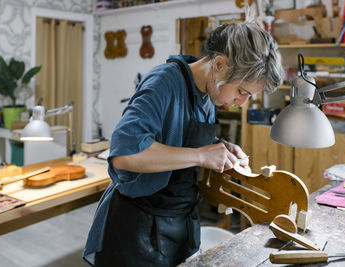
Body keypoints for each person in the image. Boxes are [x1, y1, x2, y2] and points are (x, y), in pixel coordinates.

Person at [84, 21, 284, 267]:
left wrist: (218, 147)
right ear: (220, 64)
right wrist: (201, 156)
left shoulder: (208, 91)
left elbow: (175, 136)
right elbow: (124, 155)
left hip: (179, 222)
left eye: (249, 96)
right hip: (138, 229)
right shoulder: (163, 83)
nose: (241, 102)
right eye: (242, 91)